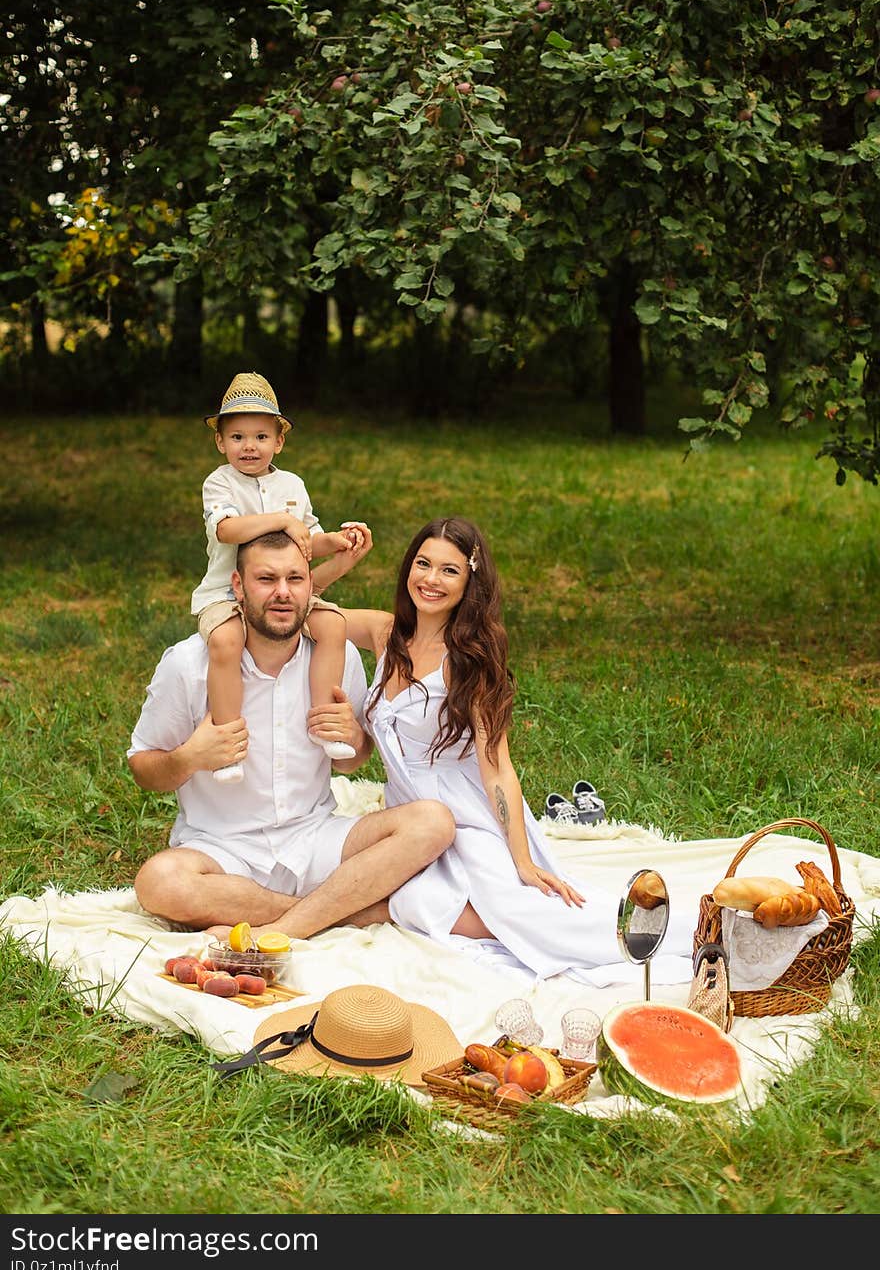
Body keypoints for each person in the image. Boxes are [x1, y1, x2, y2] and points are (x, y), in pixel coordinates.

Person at [338, 516, 698, 986]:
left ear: (469, 582)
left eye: (449, 570)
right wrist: (337, 557)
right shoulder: (386, 634)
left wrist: (522, 860)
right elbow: (302, 608)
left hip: (467, 812)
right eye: (423, 564)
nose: (430, 579)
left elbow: (497, 770)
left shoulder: (469, 659)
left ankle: (686, 932)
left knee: (518, 910)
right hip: (409, 820)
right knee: (414, 902)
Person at [129, 530, 456, 939]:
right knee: (160, 882)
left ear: (310, 586)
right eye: (266, 580)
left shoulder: (337, 658)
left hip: (315, 839)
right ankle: (344, 912)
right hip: (224, 852)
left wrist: (355, 738)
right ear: (238, 586)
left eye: (295, 580)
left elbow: (349, 761)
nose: (283, 593)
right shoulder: (187, 665)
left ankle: (285, 923)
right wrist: (189, 757)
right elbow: (143, 767)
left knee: (433, 822)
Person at [193, 371, 367, 784]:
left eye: (259, 436)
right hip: (226, 593)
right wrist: (281, 520)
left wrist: (342, 542)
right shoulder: (219, 482)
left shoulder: (292, 484)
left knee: (332, 625)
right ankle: (228, 743)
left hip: (284, 589)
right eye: (236, 437)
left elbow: (307, 539)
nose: (248, 446)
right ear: (220, 442)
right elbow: (227, 531)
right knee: (225, 640)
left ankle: (325, 724)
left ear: (279, 441)